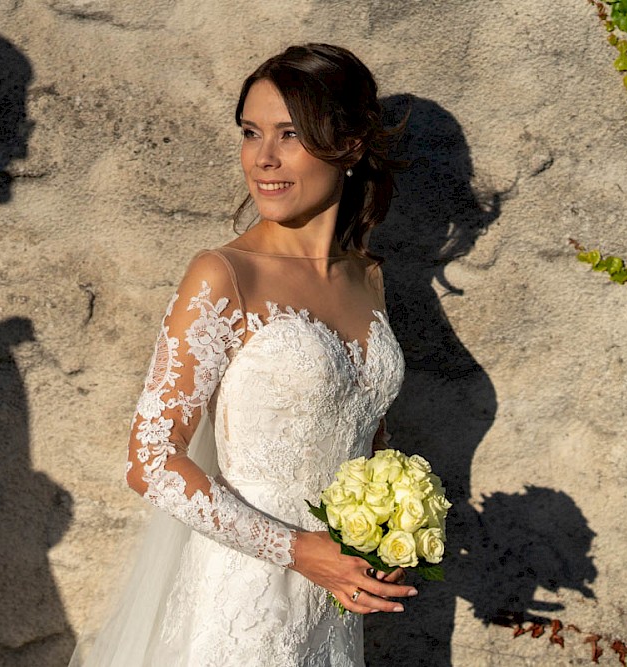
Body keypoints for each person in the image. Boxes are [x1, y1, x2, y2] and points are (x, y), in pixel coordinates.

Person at [72, 43, 416, 666]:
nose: (263, 159)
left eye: (290, 135)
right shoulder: (223, 274)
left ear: (350, 146)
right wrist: (298, 550)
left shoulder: (366, 278)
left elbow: (366, 436)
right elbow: (151, 460)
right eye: (252, 133)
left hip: (331, 603)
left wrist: (393, 534)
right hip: (243, 593)